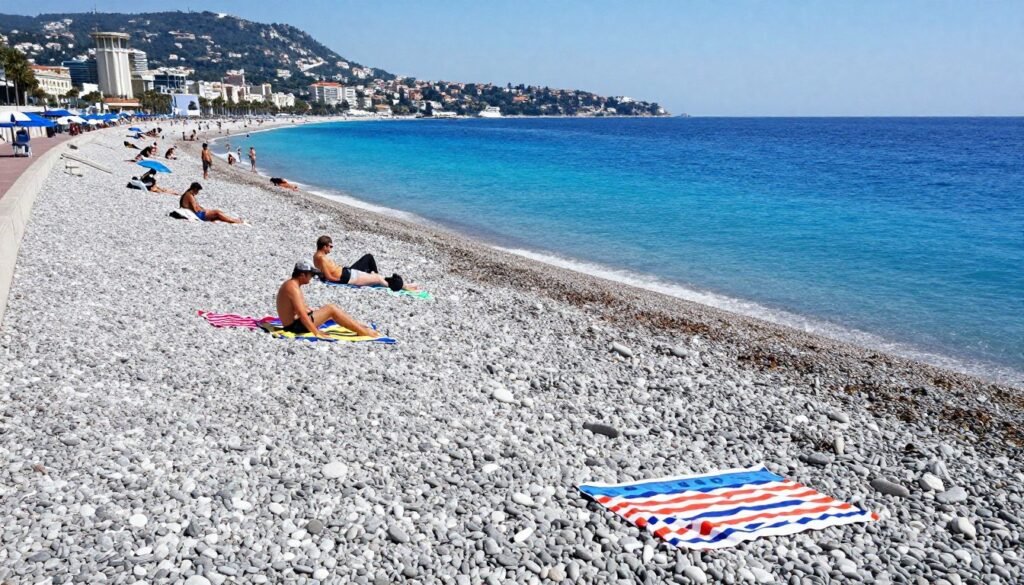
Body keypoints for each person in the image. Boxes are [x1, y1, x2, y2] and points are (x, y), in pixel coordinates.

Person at [276, 261, 380, 338]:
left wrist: (313, 312)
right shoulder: (292, 288)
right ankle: (363, 332)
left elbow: (300, 309)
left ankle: (359, 326)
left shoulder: (291, 284)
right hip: (294, 327)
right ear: (302, 275)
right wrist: (316, 332)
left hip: (294, 323)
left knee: (330, 312)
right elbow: (301, 313)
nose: (312, 277)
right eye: (311, 275)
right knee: (331, 309)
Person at [313, 235, 416, 291]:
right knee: (378, 278)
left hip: (348, 273)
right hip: (348, 277)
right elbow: (329, 277)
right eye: (330, 246)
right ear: (324, 246)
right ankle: (403, 287)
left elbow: (322, 272)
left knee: (375, 274)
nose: (331, 249)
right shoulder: (322, 258)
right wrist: (342, 281)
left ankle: (404, 284)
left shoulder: (316, 256)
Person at [178, 182, 244, 223]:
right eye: (198, 190)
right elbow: (195, 210)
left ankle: (231, 219)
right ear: (195, 189)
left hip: (199, 213)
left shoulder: (187, 194)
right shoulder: (190, 196)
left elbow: (194, 207)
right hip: (199, 215)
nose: (198, 192)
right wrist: (203, 210)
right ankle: (234, 221)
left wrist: (203, 209)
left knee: (217, 213)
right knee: (217, 213)